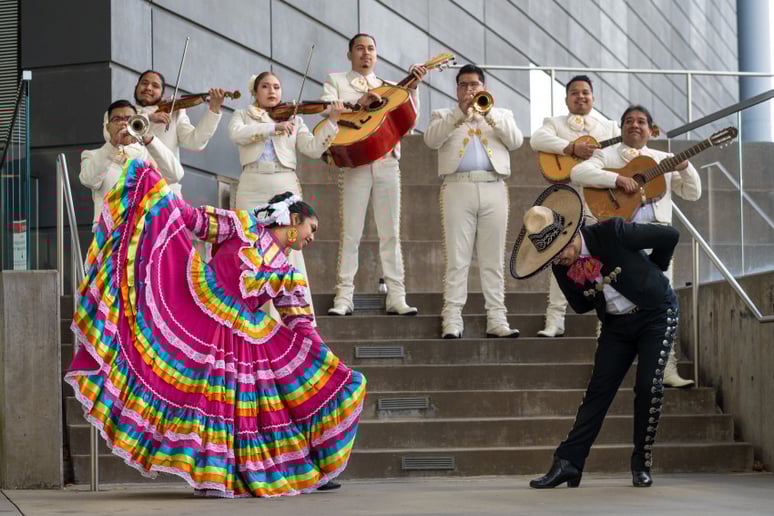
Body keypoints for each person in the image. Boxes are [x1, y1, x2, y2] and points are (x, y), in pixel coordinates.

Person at [66, 159, 366, 497]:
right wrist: (159, 190)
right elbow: (193, 221)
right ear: (294, 220)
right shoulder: (242, 225)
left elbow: (300, 323)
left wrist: (327, 362)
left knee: (236, 411)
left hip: (243, 340)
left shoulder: (289, 273)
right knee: (201, 400)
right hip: (200, 314)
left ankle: (242, 475)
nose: (312, 237)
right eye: (312, 228)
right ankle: (213, 476)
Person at [511, 184, 680, 488]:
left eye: (559, 252)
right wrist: (589, 279)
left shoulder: (612, 232)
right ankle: (568, 463)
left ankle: (641, 462)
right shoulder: (562, 265)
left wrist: (654, 270)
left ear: (571, 233)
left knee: (648, 385)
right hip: (616, 325)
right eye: (550, 257)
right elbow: (579, 306)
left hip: (655, 311)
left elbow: (670, 236)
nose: (558, 261)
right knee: (598, 391)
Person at [571, 105, 700, 388]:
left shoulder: (665, 159)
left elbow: (693, 193)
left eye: (641, 121)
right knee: (610, 300)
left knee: (663, 303)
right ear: (621, 128)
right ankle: (603, 368)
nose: (634, 125)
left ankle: (667, 369)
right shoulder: (607, 155)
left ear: (651, 130)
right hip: (618, 241)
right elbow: (579, 173)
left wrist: (687, 167)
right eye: (628, 121)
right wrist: (617, 178)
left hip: (657, 241)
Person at [321, 33, 426, 316]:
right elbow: (329, 112)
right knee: (351, 233)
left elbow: (409, 124)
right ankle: (344, 297)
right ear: (350, 54)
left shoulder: (390, 86)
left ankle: (396, 295)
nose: (365, 53)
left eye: (370, 49)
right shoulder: (337, 82)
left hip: (387, 161)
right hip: (355, 162)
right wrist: (359, 103)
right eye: (359, 48)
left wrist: (414, 89)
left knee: (390, 233)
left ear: (376, 55)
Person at [229, 70, 345, 318]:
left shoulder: (296, 120)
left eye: (277, 87)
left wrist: (332, 122)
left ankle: (294, 315)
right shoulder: (242, 115)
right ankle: (253, 315)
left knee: (291, 245)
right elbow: (236, 134)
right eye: (266, 86)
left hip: (285, 185)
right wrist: (273, 127)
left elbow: (313, 149)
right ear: (255, 91)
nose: (272, 91)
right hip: (252, 183)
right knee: (251, 243)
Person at [423, 64, 523, 339]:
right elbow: (431, 141)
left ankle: (497, 319)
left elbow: (515, 142)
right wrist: (459, 113)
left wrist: (488, 113)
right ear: (456, 89)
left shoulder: (502, 114)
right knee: (457, 258)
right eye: (464, 85)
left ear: (484, 87)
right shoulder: (443, 115)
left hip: (494, 184)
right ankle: (452, 318)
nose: (469, 90)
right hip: (457, 186)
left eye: (474, 85)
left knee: (493, 259)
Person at [530, 75, 620, 338]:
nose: (581, 97)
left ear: (593, 97)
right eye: (575, 93)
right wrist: (570, 148)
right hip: (566, 197)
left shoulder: (610, 127)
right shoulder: (555, 123)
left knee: (603, 261)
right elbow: (537, 140)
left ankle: (607, 322)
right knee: (561, 257)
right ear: (567, 98)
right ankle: (555, 320)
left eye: (586, 93)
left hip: (598, 200)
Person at [103, 70, 224, 197]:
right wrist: (149, 117)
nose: (148, 88)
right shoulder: (119, 113)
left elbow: (195, 142)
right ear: (136, 87)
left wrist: (214, 110)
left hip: (166, 189)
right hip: (131, 190)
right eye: (144, 83)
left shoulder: (173, 112)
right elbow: (109, 135)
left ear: (162, 93)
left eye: (155, 86)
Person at [80, 99, 184, 228]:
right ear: (108, 127)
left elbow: (175, 175)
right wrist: (113, 144)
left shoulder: (148, 152)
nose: (124, 123)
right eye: (117, 119)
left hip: (146, 229)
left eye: (129, 119)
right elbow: (89, 180)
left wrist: (147, 138)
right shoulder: (93, 155)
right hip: (109, 230)